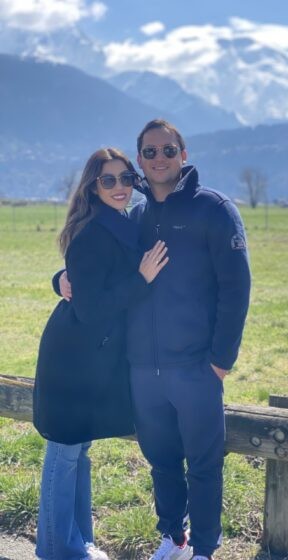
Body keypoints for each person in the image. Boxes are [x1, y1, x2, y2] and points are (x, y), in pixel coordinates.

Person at [59, 120, 251, 560]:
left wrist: (220, 361)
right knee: (162, 462)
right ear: (140, 160)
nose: (159, 158)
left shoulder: (214, 210)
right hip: (144, 369)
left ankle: (204, 549)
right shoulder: (135, 218)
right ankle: (173, 538)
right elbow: (98, 266)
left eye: (168, 150)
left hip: (197, 368)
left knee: (203, 465)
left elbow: (236, 288)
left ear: (183, 154)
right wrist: (61, 278)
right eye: (149, 152)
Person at [33, 147, 168, 560]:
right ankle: (59, 548)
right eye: (108, 180)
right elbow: (91, 310)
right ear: (93, 187)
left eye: (126, 178)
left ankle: (78, 543)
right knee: (65, 449)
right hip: (74, 358)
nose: (119, 187)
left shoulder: (123, 224)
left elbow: (89, 282)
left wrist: (61, 277)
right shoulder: (94, 232)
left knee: (78, 450)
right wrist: (141, 279)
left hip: (92, 358)